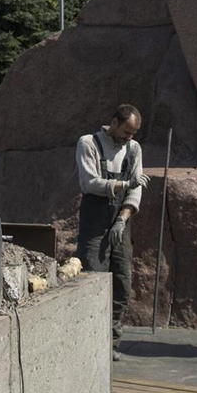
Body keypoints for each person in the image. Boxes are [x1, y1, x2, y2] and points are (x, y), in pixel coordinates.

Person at [76, 104, 147, 352]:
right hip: (95, 217)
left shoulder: (134, 149)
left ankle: (111, 342)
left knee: (122, 280)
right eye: (126, 132)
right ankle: (89, 343)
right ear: (114, 122)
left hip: (120, 219)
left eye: (133, 133)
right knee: (93, 276)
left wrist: (123, 218)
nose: (129, 138)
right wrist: (125, 182)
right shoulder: (88, 143)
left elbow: (136, 188)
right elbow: (91, 182)